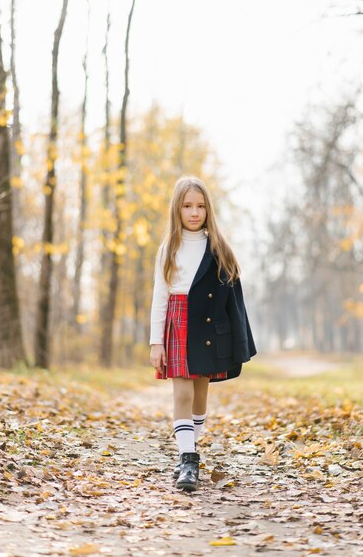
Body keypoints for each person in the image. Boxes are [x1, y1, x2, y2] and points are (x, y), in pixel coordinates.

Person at [149, 175, 257, 491]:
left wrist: (235, 340)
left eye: (200, 206)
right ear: (177, 209)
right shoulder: (168, 248)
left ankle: (189, 452)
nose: (194, 212)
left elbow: (233, 301)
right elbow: (160, 295)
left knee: (199, 396)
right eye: (187, 206)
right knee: (181, 393)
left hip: (208, 326)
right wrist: (156, 341)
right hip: (179, 321)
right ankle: (188, 460)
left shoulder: (220, 249)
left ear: (208, 209)